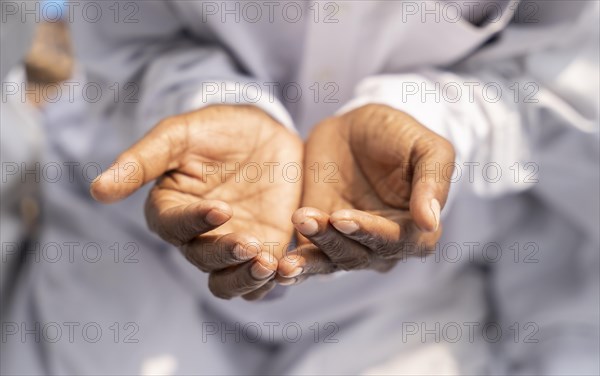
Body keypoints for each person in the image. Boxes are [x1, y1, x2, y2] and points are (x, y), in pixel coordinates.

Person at [2, 1, 598, 374]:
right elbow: (121, 42)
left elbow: (562, 73)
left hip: (411, 294)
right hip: (132, 255)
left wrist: (438, 121)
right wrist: (208, 102)